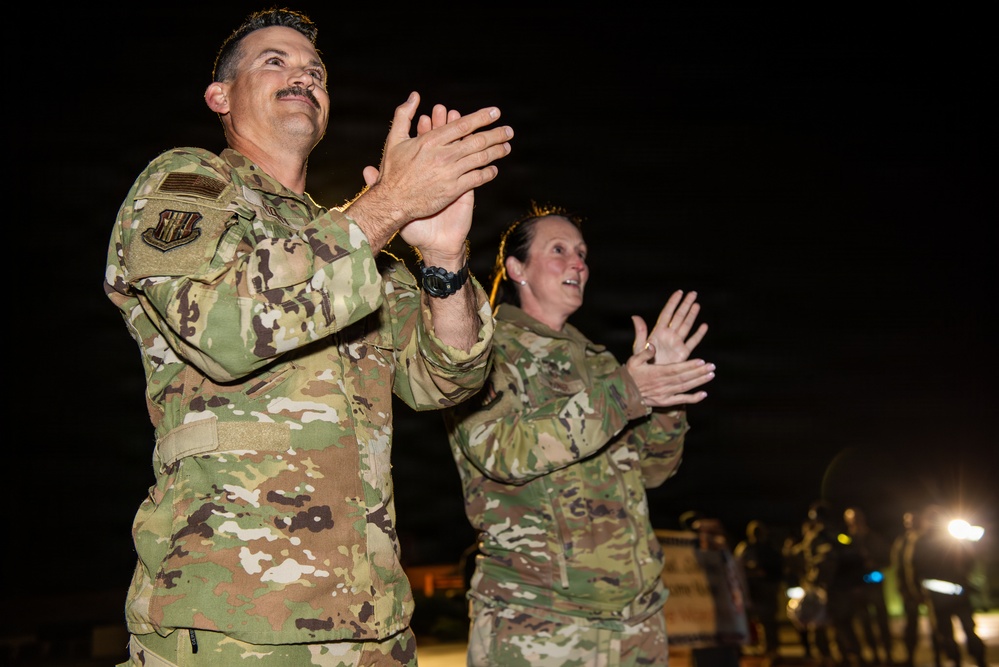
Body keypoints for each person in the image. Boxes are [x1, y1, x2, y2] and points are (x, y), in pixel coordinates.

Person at [104, 8, 514, 666]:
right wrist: (389, 205)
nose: (303, 75)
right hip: (231, 622)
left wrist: (442, 262)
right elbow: (221, 329)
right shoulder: (189, 183)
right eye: (275, 61)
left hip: (375, 627)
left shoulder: (357, 239)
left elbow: (447, 376)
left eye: (315, 71)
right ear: (220, 96)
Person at [442, 203, 717, 665]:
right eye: (559, 250)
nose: (578, 263)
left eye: (583, 253)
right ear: (516, 269)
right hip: (539, 618)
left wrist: (666, 398)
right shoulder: (481, 352)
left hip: (636, 619)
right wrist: (627, 392)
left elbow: (652, 470)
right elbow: (502, 452)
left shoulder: (602, 364)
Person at [911, 505, 987, 667]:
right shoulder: (924, 542)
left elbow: (969, 559)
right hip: (944, 595)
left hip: (953, 594)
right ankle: (962, 660)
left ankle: (973, 659)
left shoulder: (945, 539)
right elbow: (915, 568)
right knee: (950, 632)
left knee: (961, 631)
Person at [842, 506, 896, 665]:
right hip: (858, 587)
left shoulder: (874, 538)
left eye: (857, 519)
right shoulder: (846, 540)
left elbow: (887, 557)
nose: (855, 523)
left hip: (875, 585)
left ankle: (888, 653)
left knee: (882, 621)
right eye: (852, 520)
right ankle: (873, 655)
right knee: (864, 623)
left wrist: (875, 563)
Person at [890, 510, 939, 667]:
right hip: (909, 591)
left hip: (927, 589)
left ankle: (938, 657)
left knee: (937, 626)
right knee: (911, 626)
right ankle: (910, 657)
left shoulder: (928, 539)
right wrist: (904, 589)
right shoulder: (902, 542)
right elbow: (898, 568)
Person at [734, 520, 785, 663]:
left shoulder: (770, 549)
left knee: (768, 621)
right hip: (750, 589)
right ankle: (747, 647)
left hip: (766, 588)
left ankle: (772, 649)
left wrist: (765, 573)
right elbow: (737, 567)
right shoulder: (746, 548)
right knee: (748, 620)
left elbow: (778, 568)